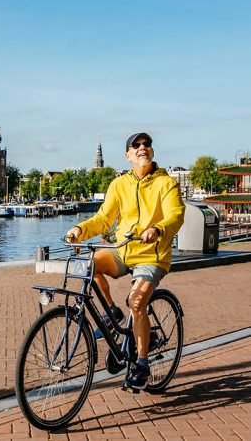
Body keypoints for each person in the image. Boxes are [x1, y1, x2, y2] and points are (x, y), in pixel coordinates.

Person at [66, 132, 185, 390]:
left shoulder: (166, 183)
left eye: (147, 144)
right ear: (127, 155)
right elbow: (103, 219)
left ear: (152, 151)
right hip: (123, 251)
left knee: (137, 302)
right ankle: (112, 313)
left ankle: (141, 364)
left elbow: (176, 215)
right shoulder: (119, 184)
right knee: (87, 266)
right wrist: (78, 230)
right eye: (136, 145)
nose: (143, 147)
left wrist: (158, 229)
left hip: (152, 255)